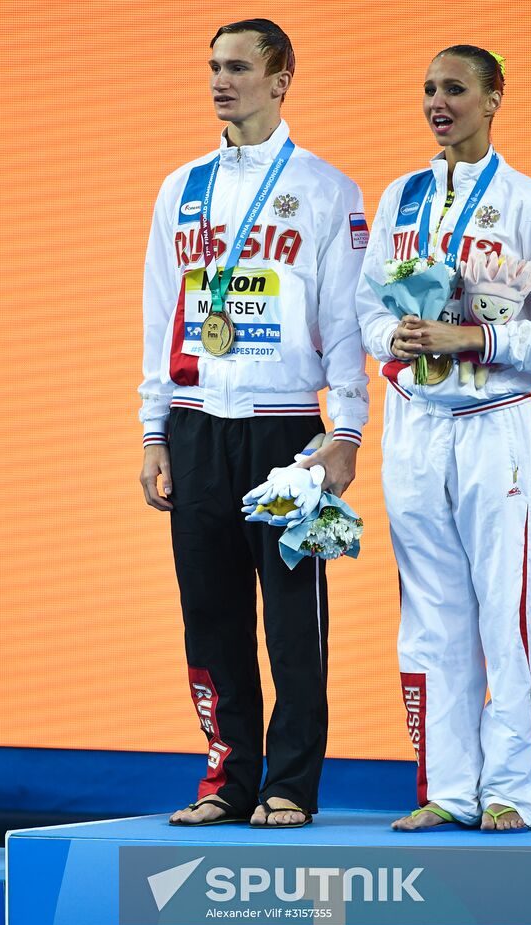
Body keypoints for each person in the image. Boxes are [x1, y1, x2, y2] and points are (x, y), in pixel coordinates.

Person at [139, 19, 368, 828]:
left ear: (281, 79)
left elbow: (343, 321)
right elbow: (162, 314)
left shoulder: (326, 188)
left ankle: (290, 783)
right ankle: (229, 777)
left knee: (291, 618)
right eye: (212, 67)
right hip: (198, 425)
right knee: (209, 613)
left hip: (285, 436)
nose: (218, 81)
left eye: (237, 67)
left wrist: (346, 432)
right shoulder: (181, 187)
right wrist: (152, 430)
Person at [356, 46, 531, 832]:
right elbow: (366, 309)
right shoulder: (401, 197)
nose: (435, 102)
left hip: (495, 427)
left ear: (494, 98)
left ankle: (508, 790)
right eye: (426, 89)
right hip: (413, 425)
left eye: (453, 89)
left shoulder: (529, 204)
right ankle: (446, 788)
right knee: (427, 612)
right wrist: (402, 336)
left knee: (502, 608)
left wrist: (475, 343)